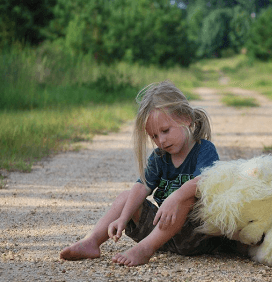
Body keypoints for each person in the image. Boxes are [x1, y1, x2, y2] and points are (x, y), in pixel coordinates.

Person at [60, 80, 235, 266]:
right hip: (163, 234)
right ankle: (92, 241)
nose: (161, 140)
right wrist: (123, 218)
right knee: (127, 196)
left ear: (186, 119)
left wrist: (175, 197)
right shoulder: (160, 156)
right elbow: (142, 186)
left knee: (187, 197)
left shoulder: (204, 149)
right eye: (154, 136)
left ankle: (145, 249)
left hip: (196, 236)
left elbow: (205, 180)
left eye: (165, 131)